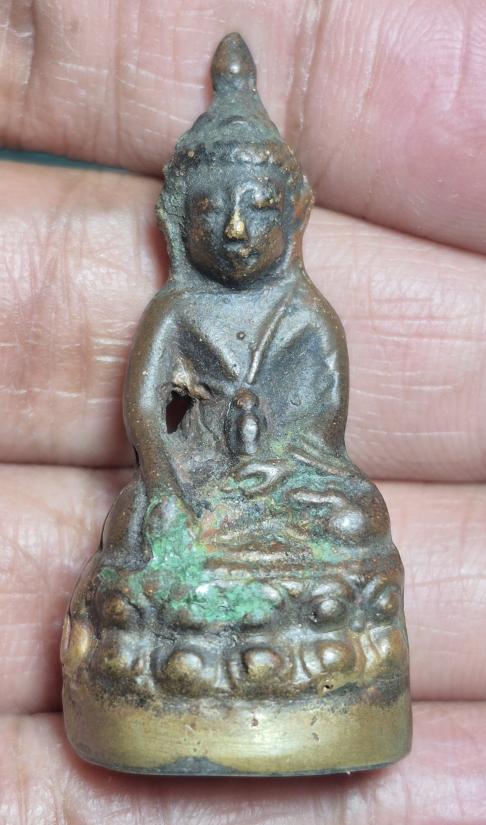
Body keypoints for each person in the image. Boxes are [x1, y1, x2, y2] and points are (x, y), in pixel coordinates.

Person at [0, 1, 484, 820]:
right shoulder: (177, 313)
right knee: (140, 525)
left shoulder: (307, 316)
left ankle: (245, 654)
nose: (233, 228)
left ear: (295, 214)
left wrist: (270, 464)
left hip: (283, 491)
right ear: (175, 220)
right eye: (211, 209)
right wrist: (174, 482)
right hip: (194, 488)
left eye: (257, 207)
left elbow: (323, 439)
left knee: (355, 514)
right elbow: (149, 415)